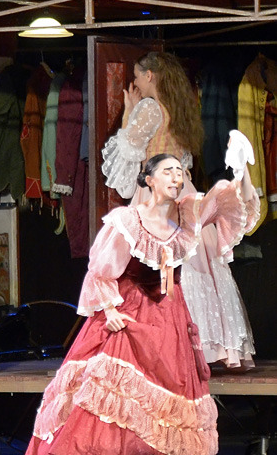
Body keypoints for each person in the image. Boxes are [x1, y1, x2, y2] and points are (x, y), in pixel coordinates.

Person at [19, 151, 256, 455]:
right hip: (131, 312)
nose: (176, 177)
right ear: (149, 179)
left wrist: (244, 168)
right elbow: (101, 270)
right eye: (168, 171)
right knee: (119, 398)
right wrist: (109, 308)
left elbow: (232, 203)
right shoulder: (128, 221)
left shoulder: (188, 214)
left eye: (180, 171)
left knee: (161, 407)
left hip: (170, 317)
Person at [102, 51, 258, 370]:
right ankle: (206, 346)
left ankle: (170, 347)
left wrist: (129, 112)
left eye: (137, 75)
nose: (135, 82)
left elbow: (128, 150)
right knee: (195, 267)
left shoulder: (149, 108)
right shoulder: (180, 107)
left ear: (150, 76)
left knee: (161, 269)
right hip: (183, 189)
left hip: (159, 194)